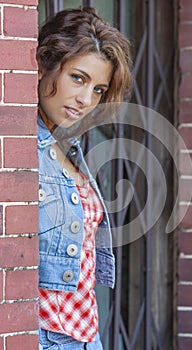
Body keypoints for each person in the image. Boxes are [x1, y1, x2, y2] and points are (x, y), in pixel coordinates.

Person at [37, 6, 132, 350]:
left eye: (98, 89)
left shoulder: (70, 149)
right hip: (46, 339)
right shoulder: (19, 150)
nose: (85, 100)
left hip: (86, 335)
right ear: (44, 62)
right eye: (78, 78)